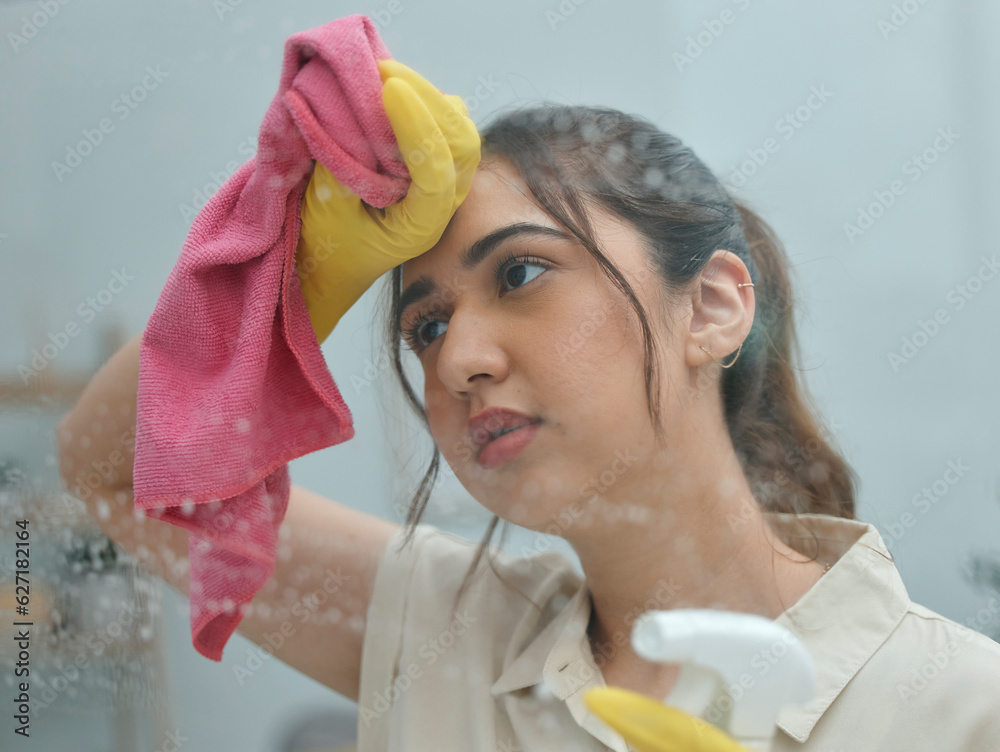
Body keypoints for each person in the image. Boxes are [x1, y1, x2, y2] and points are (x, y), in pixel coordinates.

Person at [57, 61, 1000, 752]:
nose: (458, 360)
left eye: (522, 272)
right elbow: (124, 473)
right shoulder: (444, 632)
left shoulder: (958, 708)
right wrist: (291, 275)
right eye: (423, 328)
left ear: (711, 307)